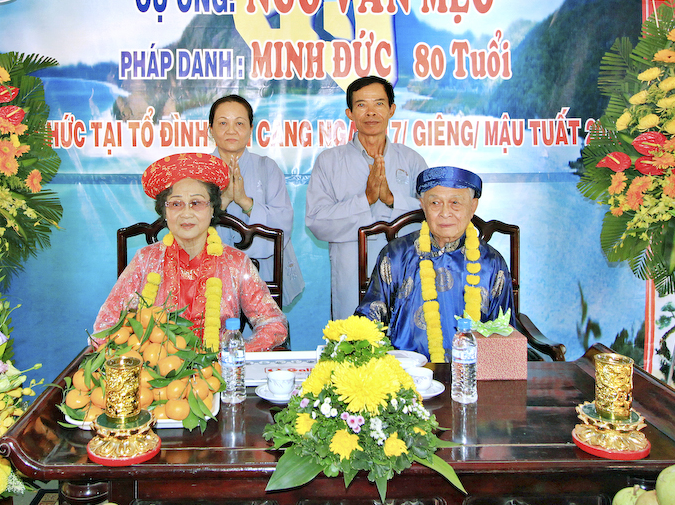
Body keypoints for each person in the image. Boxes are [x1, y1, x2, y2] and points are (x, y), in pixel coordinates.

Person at [94, 152, 288, 351]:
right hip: (156, 366)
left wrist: (235, 353)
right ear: (164, 212)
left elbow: (274, 324)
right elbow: (105, 326)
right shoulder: (145, 260)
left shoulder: (236, 263)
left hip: (217, 365)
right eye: (176, 204)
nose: (186, 213)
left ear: (212, 209)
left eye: (196, 203)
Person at [356, 166, 514, 361]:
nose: (445, 213)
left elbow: (504, 332)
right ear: (422, 205)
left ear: (473, 206)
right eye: (435, 203)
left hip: (471, 371)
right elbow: (370, 318)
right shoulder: (395, 255)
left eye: (455, 202)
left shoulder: (492, 263)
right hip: (406, 371)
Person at [306, 75, 427, 319]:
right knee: (354, 336)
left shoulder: (412, 160)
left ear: (391, 110)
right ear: (349, 113)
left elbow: (431, 215)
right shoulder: (329, 161)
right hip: (351, 271)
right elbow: (316, 221)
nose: (371, 112)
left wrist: (392, 200)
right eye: (361, 105)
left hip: (405, 269)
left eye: (379, 103)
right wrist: (366, 200)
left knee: (404, 334)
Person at [209, 94, 304, 306]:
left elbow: (283, 222)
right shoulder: (198, 172)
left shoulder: (267, 168)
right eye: (223, 123)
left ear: (250, 129)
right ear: (210, 130)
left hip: (262, 273)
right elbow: (186, 226)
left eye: (239, 123)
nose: (231, 130)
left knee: (262, 323)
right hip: (209, 274)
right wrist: (224, 200)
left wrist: (245, 202)